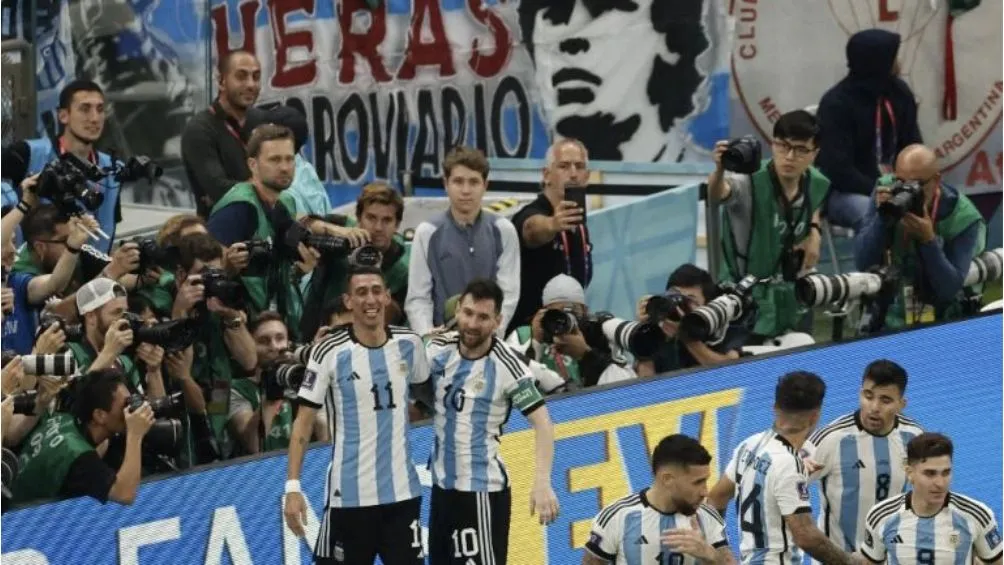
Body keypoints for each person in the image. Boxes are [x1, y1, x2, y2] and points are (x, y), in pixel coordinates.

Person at [283, 266, 428, 565]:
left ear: (387, 297)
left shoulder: (410, 344)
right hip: (348, 499)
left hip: (403, 497)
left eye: (376, 290)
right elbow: (302, 423)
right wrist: (293, 487)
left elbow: (426, 389)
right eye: (361, 292)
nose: (370, 299)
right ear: (349, 301)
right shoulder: (328, 352)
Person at [420, 279, 559, 565]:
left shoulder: (508, 366)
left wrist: (542, 483)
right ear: (457, 310)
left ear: (497, 321)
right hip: (441, 490)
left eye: (483, 317)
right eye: (468, 313)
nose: (472, 323)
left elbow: (543, 423)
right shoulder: (437, 348)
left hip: (480, 494)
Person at [516, 0, 714, 162]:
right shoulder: (536, 197)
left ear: (669, 45)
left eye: (604, 9)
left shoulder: (707, 187)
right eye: (553, 10)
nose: (569, 40)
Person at [707, 371, 860, 565]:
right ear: (814, 417)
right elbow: (806, 536)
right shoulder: (788, 463)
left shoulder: (749, 445)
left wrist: (723, 552)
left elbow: (715, 498)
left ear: (775, 408)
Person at [709, 110, 829, 342]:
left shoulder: (815, 181)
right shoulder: (750, 182)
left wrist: (814, 231)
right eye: (782, 146)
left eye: (801, 149)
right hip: (745, 301)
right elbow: (717, 193)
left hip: (793, 294)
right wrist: (719, 169)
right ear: (772, 145)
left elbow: (814, 202)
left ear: (815, 153)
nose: (790, 156)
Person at [854, 144, 986, 329]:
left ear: (936, 180)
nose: (905, 193)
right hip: (885, 317)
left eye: (915, 185)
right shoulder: (885, 188)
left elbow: (948, 289)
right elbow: (862, 262)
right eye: (900, 182)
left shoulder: (963, 217)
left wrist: (928, 241)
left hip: (943, 322)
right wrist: (882, 219)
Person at [805, 359, 924, 559]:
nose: (874, 407)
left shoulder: (914, 437)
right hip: (838, 559)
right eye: (868, 396)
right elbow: (785, 484)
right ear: (861, 394)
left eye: (885, 400)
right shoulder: (830, 439)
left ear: (901, 404)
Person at [406, 146, 521, 336]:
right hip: (442, 340)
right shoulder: (427, 232)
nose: (466, 190)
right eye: (458, 181)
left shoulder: (503, 231)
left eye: (474, 182)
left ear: (485, 185)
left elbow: (508, 294)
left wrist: (492, 334)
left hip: (488, 339)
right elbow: (418, 297)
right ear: (446, 183)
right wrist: (427, 337)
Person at [816, 29, 923, 232]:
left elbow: (913, 146)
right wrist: (882, 191)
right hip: (847, 192)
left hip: (897, 187)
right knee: (878, 215)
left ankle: (933, 263)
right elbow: (838, 171)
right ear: (878, 61)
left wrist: (912, 186)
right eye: (892, 57)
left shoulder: (899, 93)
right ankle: (878, 264)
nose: (897, 62)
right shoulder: (836, 104)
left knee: (946, 203)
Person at [1, 80, 124, 251]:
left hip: (91, 271)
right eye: (85, 109)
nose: (95, 118)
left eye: (100, 109)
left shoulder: (112, 168)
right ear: (63, 115)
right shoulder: (27, 154)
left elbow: (109, 226)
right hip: (31, 269)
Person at [582, 434, 736, 565]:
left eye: (706, 480)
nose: (705, 492)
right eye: (697, 482)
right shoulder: (617, 517)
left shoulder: (707, 516)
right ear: (667, 479)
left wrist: (710, 555)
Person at [11, 369, 154, 505]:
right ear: (99, 415)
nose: (130, 411)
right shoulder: (79, 458)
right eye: (124, 405)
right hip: (22, 521)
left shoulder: (64, 418)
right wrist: (135, 435)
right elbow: (125, 494)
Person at [171, 233, 258, 456]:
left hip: (220, 390)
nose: (212, 282)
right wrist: (180, 312)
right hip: (183, 408)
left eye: (216, 274)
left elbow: (249, 360)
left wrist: (231, 317)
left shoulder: (219, 303)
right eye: (204, 276)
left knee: (219, 448)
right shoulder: (165, 306)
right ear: (181, 275)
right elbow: (177, 370)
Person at [860, 433, 1002, 564]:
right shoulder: (881, 516)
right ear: (910, 473)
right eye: (930, 473)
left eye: (946, 473)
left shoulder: (976, 515)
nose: (940, 483)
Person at [301, 181, 411, 337]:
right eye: (371, 218)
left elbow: (396, 319)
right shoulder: (341, 229)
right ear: (359, 217)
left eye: (387, 220)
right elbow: (299, 222)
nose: (378, 227)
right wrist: (336, 231)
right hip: (316, 330)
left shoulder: (401, 267)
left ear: (397, 224)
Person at [509, 138, 593, 334]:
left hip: (568, 330)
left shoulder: (580, 225)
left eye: (579, 167)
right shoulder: (531, 214)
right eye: (564, 166)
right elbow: (531, 230)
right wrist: (552, 224)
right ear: (546, 174)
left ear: (587, 176)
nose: (573, 174)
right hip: (529, 333)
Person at [507, 274, 635, 389]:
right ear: (543, 312)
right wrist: (534, 343)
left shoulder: (599, 335)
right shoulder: (523, 336)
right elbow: (509, 383)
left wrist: (586, 355)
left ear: (585, 311)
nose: (564, 319)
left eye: (572, 312)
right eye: (557, 314)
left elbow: (626, 387)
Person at [180, 50, 261, 217]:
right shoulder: (199, 129)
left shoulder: (260, 119)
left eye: (256, 76)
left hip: (265, 224)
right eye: (241, 76)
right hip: (221, 231)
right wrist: (268, 186)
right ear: (221, 81)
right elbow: (220, 190)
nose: (251, 84)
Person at [635, 264, 748, 376]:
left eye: (689, 301)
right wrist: (645, 332)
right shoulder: (661, 331)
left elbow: (731, 373)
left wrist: (687, 335)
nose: (680, 306)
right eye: (675, 298)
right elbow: (645, 382)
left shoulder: (723, 325)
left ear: (707, 304)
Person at [70, 277, 166, 400]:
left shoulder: (124, 362)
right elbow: (72, 407)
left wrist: (154, 371)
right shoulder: (69, 354)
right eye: (116, 313)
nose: (124, 319)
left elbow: (155, 412)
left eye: (125, 313)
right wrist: (109, 353)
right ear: (91, 317)